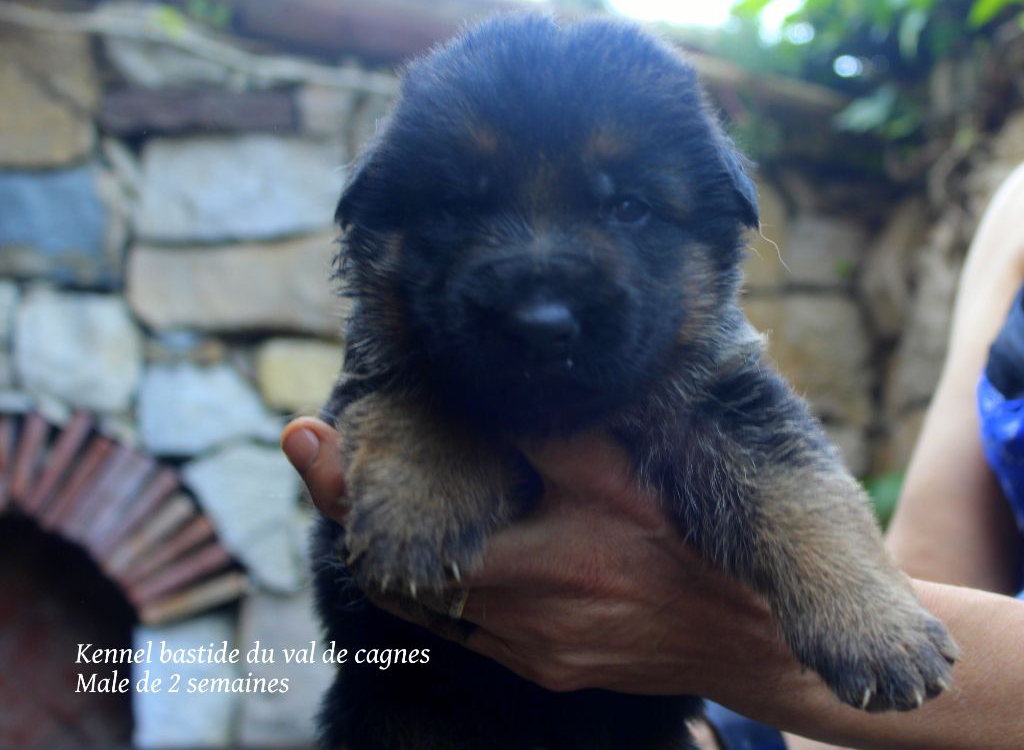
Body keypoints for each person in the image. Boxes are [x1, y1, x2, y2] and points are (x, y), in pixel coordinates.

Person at [281, 163, 1024, 750]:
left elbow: (779, 464)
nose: (541, 298)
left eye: (629, 209)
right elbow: (937, 564)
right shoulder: (1012, 220)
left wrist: (793, 628)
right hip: (411, 718)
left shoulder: (702, 374)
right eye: (457, 210)